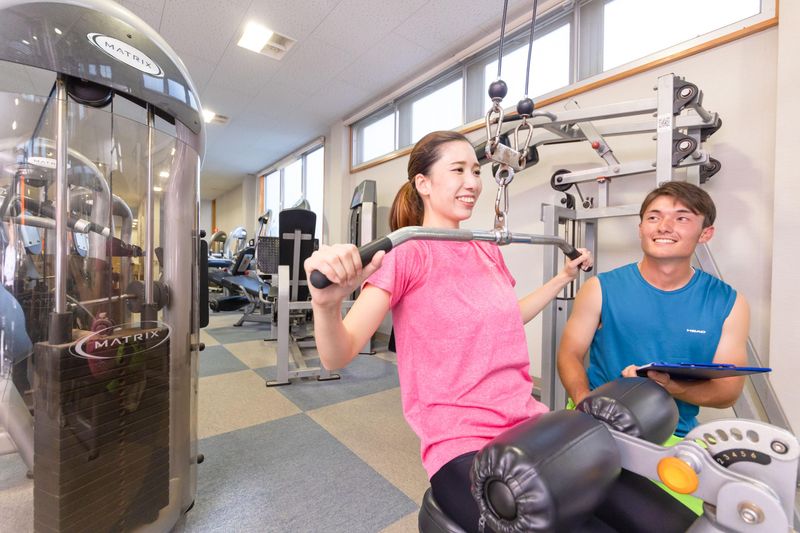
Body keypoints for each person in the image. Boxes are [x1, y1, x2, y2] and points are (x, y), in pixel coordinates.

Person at [305, 130, 592, 532]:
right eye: (458, 170)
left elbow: (508, 316)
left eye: (476, 171)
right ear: (423, 183)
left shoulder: (485, 248)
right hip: (461, 441)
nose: (472, 182)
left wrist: (562, 278)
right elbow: (338, 354)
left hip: (526, 420)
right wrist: (326, 305)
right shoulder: (407, 252)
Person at [557, 181, 749, 515]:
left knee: (682, 521)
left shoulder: (728, 303)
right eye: (654, 217)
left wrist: (670, 387)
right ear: (641, 228)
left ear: (706, 233)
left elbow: (728, 392)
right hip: (595, 426)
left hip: (672, 437)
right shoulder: (600, 288)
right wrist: (585, 402)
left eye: (681, 218)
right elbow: (569, 354)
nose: (664, 226)